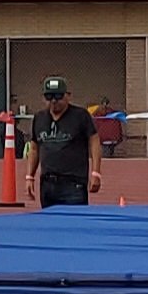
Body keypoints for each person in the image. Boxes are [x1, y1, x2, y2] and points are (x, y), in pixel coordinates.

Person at [25, 76, 102, 208]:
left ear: (68, 96)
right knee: (50, 223)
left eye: (58, 96)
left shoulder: (80, 116)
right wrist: (29, 177)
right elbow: (34, 148)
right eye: (49, 97)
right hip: (48, 183)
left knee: (75, 223)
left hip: (73, 183)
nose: (54, 101)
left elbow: (94, 141)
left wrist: (96, 172)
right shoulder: (39, 118)